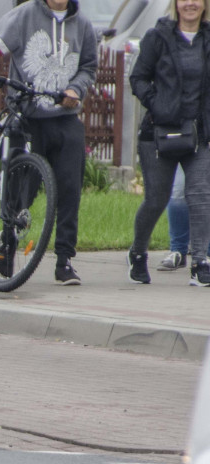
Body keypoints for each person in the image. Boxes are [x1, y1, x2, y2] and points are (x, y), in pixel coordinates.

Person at [0, 0, 97, 286]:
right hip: (26, 116)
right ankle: (8, 242)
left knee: (70, 189)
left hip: (65, 117)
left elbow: (88, 67)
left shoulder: (83, 25)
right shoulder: (25, 15)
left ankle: (64, 260)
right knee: (20, 188)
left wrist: (76, 88)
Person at [127, 0, 210, 286]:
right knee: (156, 200)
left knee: (200, 195)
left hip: (199, 134)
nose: (191, 3)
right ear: (175, 4)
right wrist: (157, 105)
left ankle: (200, 262)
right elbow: (137, 78)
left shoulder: (208, 39)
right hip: (159, 134)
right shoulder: (157, 37)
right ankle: (138, 254)